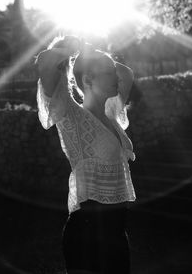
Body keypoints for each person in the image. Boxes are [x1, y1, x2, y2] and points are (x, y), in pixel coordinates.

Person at [36, 36, 137, 274]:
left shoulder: (112, 113)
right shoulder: (72, 116)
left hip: (116, 230)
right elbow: (46, 62)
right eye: (108, 73)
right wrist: (72, 48)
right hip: (87, 233)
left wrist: (93, 51)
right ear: (88, 79)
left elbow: (128, 74)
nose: (116, 76)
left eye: (112, 71)